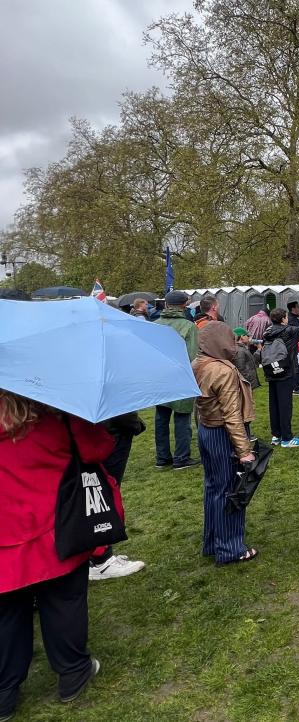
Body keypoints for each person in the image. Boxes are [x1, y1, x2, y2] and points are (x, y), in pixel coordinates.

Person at [1, 392, 111, 717]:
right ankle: (73, 671)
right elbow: (99, 448)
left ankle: (5, 692)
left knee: (6, 616)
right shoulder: (56, 417)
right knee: (64, 603)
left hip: (6, 541)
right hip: (55, 532)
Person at [192, 322, 258, 566]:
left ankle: (213, 542)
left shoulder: (198, 364)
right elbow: (232, 415)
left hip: (206, 430)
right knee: (231, 491)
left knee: (213, 489)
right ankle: (230, 548)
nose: (233, 344)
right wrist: (245, 452)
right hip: (223, 434)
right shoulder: (222, 370)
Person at [88, 412, 147, 581]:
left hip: (109, 429)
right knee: (105, 493)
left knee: (102, 492)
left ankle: (98, 554)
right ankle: (101, 559)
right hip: (111, 432)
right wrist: (133, 423)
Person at [154, 291, 200, 470]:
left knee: (161, 418)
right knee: (182, 419)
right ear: (184, 305)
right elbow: (192, 356)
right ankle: (181, 458)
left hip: (160, 377)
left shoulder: (155, 325)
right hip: (181, 378)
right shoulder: (189, 326)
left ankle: (162, 457)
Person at [263, 307, 299, 447]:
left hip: (271, 370)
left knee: (274, 404)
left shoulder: (267, 332)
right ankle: (286, 438)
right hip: (285, 371)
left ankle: (276, 435)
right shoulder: (289, 331)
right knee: (285, 405)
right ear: (283, 318)